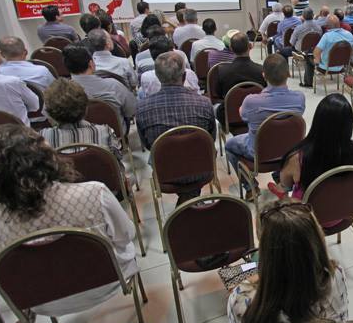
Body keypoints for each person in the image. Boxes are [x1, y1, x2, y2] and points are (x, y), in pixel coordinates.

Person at [0, 124, 138, 316]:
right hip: (109, 283)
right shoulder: (94, 192)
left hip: (39, 301)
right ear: (47, 158)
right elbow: (126, 235)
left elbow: (1, 263)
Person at [227, 200, 348, 323]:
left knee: (232, 275)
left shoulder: (240, 300)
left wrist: (247, 284)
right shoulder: (335, 274)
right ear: (316, 238)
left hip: (260, 284)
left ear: (264, 245)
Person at [136, 52, 215, 205]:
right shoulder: (204, 103)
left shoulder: (142, 108)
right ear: (184, 76)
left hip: (165, 172)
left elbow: (147, 144)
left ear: (158, 77)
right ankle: (190, 199)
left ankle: (187, 201)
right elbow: (210, 139)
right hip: (202, 168)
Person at [225, 54, 305, 178]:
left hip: (258, 153)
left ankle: (249, 186)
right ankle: (279, 177)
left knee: (229, 145)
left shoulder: (251, 101)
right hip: (289, 151)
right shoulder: (299, 98)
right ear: (288, 74)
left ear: (263, 75)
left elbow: (243, 116)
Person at [279, 94, 353, 200]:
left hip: (305, 215)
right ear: (348, 124)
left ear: (317, 121)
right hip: (341, 213)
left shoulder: (297, 158)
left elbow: (285, 184)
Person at [39, 78, 121, 161]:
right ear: (85, 107)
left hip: (62, 174)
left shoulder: (43, 137)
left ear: (50, 113)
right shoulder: (105, 132)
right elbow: (117, 161)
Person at [66, 43, 136, 134]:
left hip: (81, 138)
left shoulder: (62, 92)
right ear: (91, 64)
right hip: (115, 135)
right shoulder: (114, 85)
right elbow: (131, 111)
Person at [214, 32, 267, 124]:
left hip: (229, 117)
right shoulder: (261, 70)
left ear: (231, 48)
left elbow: (218, 94)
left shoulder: (222, 71)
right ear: (250, 46)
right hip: (256, 116)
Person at [302, 15, 353, 88]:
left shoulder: (326, 36)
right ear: (339, 23)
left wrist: (317, 62)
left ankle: (308, 83)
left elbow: (316, 52)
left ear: (327, 26)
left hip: (326, 67)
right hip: (342, 66)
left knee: (308, 57)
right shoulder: (349, 34)